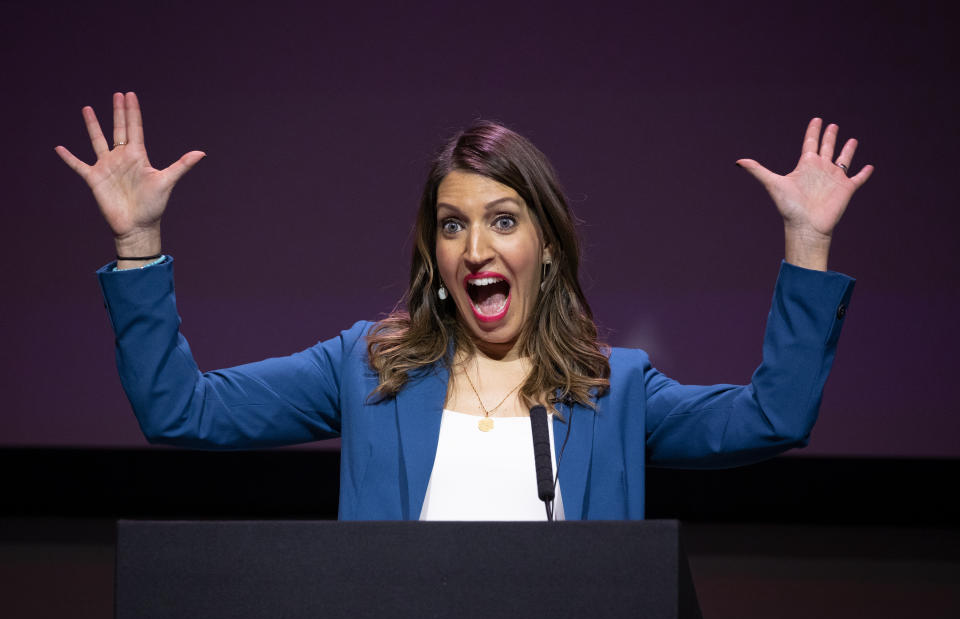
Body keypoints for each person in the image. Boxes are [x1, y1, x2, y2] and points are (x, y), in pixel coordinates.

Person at [56, 92, 873, 521]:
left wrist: (806, 244)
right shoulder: (366, 368)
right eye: (453, 225)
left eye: (503, 220)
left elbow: (774, 418)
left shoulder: (612, 391)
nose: (476, 247)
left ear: (546, 246)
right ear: (436, 254)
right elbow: (180, 410)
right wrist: (140, 243)